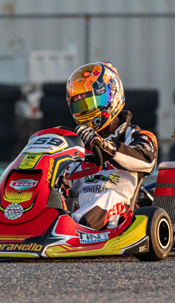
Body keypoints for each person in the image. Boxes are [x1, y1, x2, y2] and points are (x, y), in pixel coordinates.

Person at [64, 62, 158, 230]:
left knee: (108, 197)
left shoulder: (139, 137)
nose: (85, 112)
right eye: (80, 106)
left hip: (117, 207)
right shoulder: (77, 142)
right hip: (77, 203)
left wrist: (104, 147)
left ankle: (69, 230)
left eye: (90, 103)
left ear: (110, 97)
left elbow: (146, 161)